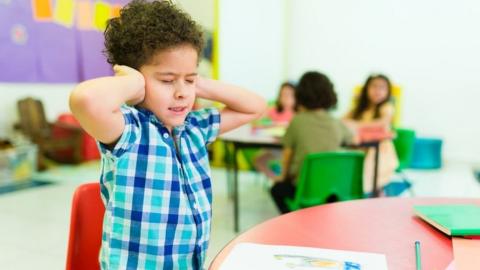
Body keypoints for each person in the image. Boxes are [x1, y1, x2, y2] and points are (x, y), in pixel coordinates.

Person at [69, 1, 266, 269]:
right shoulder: (129, 130)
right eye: (167, 80)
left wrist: (198, 83)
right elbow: (86, 100)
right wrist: (133, 83)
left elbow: (255, 106)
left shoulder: (194, 128)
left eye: (189, 79)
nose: (182, 92)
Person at [270, 71, 353, 214]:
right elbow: (352, 139)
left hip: (304, 188)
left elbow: (287, 155)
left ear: (300, 94)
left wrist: (282, 177)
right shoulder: (336, 122)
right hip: (333, 189)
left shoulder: (297, 121)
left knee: (276, 189)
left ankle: (293, 220)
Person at [343, 74, 399, 194]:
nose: (377, 91)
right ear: (366, 89)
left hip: (381, 150)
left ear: (388, 92)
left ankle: (374, 193)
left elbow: (382, 122)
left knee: (371, 169)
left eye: (382, 87)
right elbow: (343, 121)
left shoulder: (386, 107)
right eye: (374, 86)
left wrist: (356, 124)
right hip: (360, 149)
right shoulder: (359, 108)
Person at [253, 82, 296, 178]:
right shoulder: (274, 110)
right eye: (283, 95)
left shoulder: (297, 113)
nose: (286, 98)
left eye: (289, 95)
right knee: (258, 160)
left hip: (289, 148)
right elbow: (258, 122)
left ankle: (282, 179)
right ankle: (276, 180)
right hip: (273, 146)